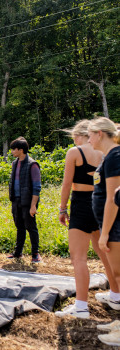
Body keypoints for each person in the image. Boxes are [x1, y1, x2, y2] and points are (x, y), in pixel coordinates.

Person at [55, 120, 118, 319]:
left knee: (79, 258)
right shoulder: (106, 153)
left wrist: (63, 208)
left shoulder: (75, 152)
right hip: (99, 205)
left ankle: (81, 306)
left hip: (81, 204)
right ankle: (116, 294)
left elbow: (67, 184)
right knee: (106, 254)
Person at [88, 117, 120, 312]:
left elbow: (113, 198)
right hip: (110, 225)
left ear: (100, 134)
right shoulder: (109, 156)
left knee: (118, 275)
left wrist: (105, 233)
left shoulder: (115, 155)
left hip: (115, 227)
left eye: (90, 135)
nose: (89, 140)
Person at [8, 137, 42, 263]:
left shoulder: (32, 165)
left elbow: (37, 187)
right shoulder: (14, 163)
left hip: (27, 202)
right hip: (16, 200)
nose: (12, 151)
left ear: (21, 150)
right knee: (19, 226)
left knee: (31, 227)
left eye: (14, 149)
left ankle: (35, 254)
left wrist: (33, 205)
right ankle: (18, 253)